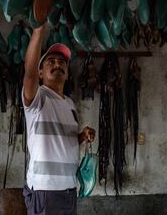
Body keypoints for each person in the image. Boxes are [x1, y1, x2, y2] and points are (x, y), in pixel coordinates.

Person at [22, 23, 96, 215]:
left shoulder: (70, 104)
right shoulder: (38, 99)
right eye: (51, 62)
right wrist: (38, 31)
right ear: (40, 73)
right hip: (45, 190)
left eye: (62, 62)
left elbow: (65, 141)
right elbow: (28, 73)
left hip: (68, 189)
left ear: (68, 72)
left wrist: (82, 136)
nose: (57, 64)